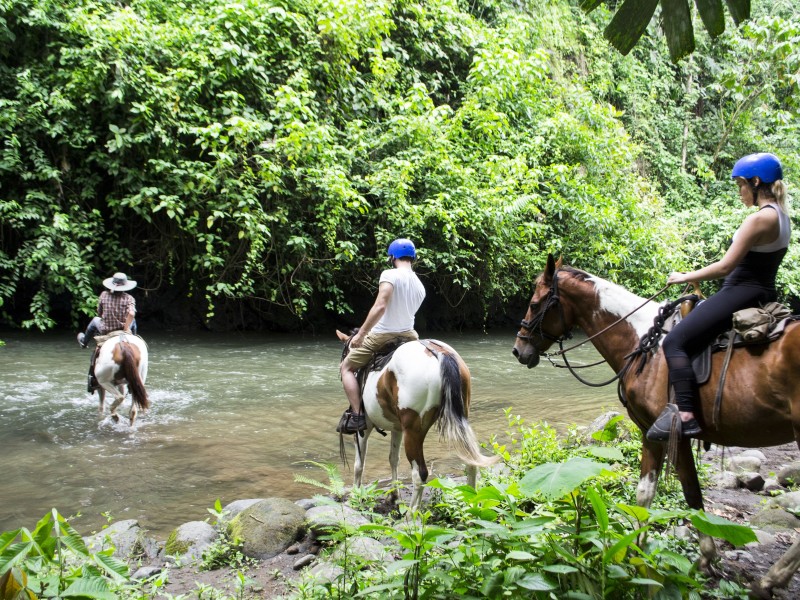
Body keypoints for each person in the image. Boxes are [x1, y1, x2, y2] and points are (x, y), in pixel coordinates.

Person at [646, 153, 791, 442]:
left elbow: (726, 266)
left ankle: (685, 415)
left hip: (739, 292)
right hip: (761, 291)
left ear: (756, 182)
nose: (739, 192)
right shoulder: (783, 216)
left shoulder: (760, 219)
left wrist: (685, 276)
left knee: (674, 341)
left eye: (740, 185)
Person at [336, 238, 426, 434]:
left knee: (346, 368)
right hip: (410, 336)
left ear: (392, 257)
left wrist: (361, 334)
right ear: (413, 258)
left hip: (383, 335)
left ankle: (358, 415)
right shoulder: (420, 285)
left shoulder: (390, 274)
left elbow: (381, 306)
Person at [77, 272, 138, 348]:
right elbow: (131, 314)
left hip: (106, 329)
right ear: (125, 286)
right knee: (133, 320)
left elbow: (99, 313)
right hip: (122, 328)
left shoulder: (104, 294)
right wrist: (125, 328)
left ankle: (84, 343)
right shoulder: (129, 298)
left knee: (95, 320)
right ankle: (134, 339)